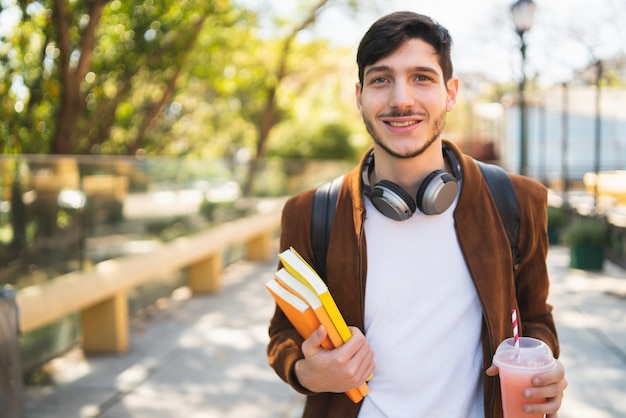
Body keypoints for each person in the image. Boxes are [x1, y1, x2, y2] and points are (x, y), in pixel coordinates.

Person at [267, 11, 567, 418]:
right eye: (381, 79)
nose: (400, 99)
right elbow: (283, 333)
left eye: (422, 77)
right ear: (359, 96)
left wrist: (542, 364)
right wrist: (305, 371)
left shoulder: (516, 201)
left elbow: (534, 318)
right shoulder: (310, 213)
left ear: (451, 92)